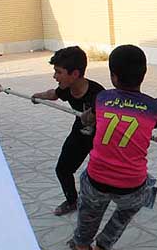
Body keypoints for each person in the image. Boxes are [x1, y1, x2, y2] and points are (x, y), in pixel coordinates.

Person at [68, 45, 157, 250]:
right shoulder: (155, 106)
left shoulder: (102, 98)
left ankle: (82, 243)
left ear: (113, 76)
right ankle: (102, 246)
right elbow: (151, 124)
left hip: (96, 178)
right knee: (145, 191)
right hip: (131, 185)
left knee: (89, 208)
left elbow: (89, 118)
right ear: (144, 74)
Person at [31, 46, 105, 217]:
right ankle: (72, 201)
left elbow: (110, 115)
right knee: (63, 169)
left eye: (58, 72)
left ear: (75, 74)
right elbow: (53, 94)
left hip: (102, 138)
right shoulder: (66, 88)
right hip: (80, 134)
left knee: (106, 174)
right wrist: (38, 96)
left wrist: (94, 116)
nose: (54, 76)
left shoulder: (99, 94)